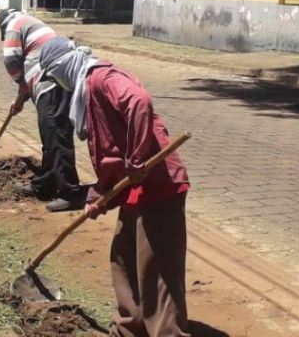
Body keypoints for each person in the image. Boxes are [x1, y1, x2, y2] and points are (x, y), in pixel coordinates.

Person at [38, 37, 191, 337]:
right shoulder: (88, 93)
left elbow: (139, 102)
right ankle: (130, 329)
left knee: (157, 273)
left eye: (54, 75)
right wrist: (98, 198)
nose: (57, 84)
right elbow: (112, 157)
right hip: (136, 190)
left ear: (63, 66)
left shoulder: (101, 78)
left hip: (159, 186)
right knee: (123, 258)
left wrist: (136, 158)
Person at [0, 9, 85, 212]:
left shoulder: (14, 26)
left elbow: (11, 61)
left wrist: (22, 86)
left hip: (51, 83)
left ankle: (70, 193)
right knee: (51, 136)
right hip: (58, 81)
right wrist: (21, 98)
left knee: (55, 136)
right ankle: (45, 186)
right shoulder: (31, 23)